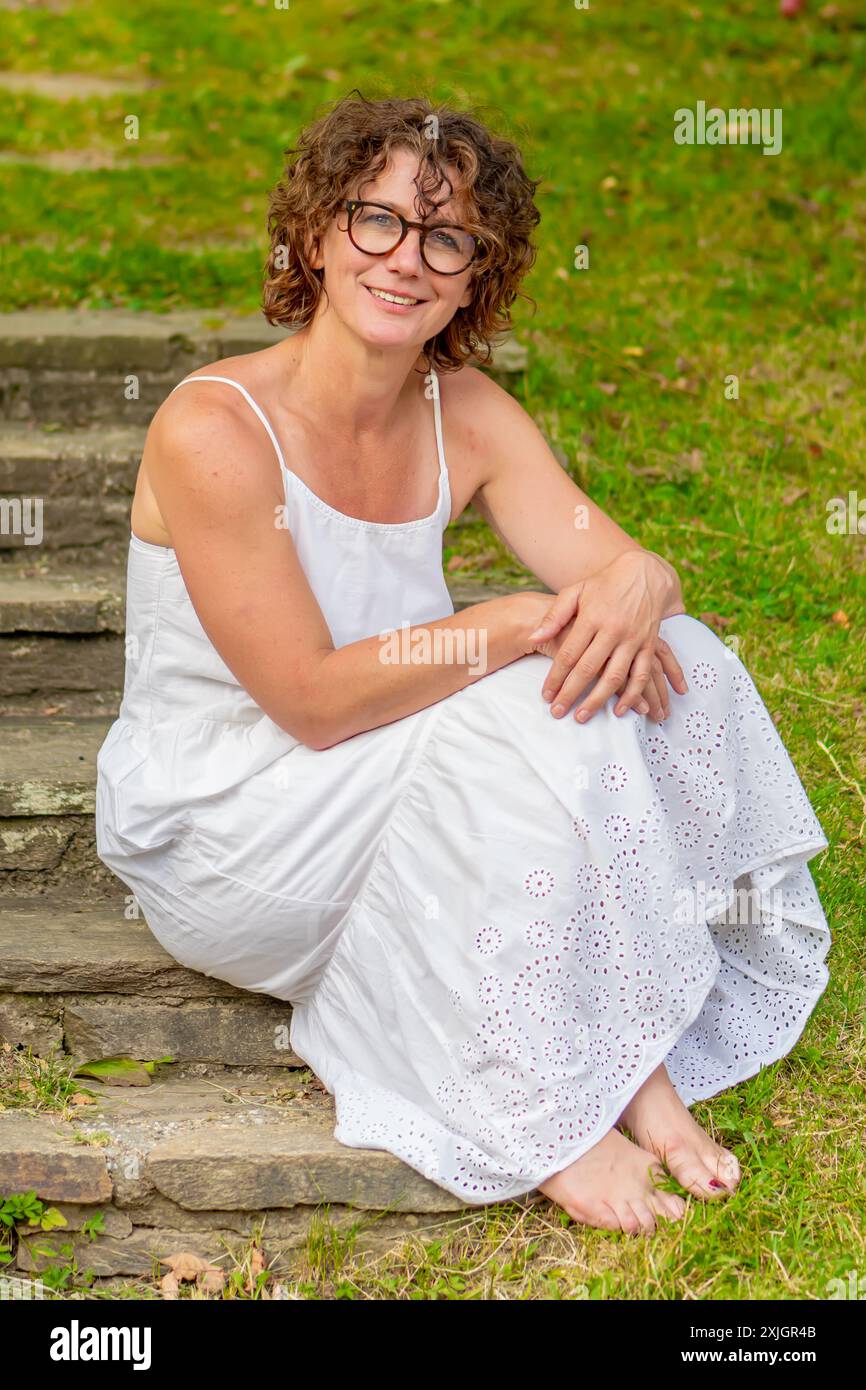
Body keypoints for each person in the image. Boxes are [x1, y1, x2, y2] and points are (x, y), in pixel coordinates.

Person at [96, 93, 830, 1234]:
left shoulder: (466, 410)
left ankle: (621, 1050)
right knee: (529, 703)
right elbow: (309, 701)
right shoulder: (213, 430)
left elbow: (618, 574)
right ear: (314, 234)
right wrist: (500, 627)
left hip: (394, 764)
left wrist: (642, 580)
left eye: (446, 238)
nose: (405, 259)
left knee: (670, 657)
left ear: (475, 274)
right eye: (375, 220)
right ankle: (566, 1104)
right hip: (232, 817)